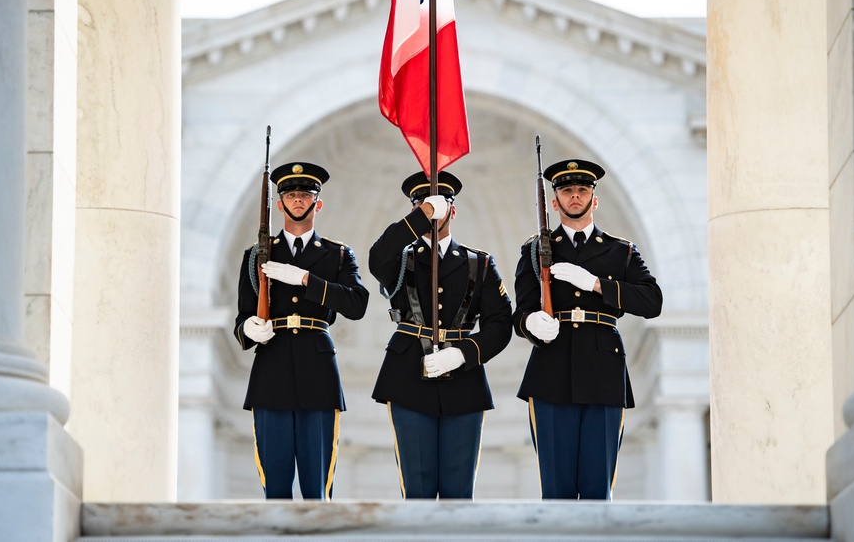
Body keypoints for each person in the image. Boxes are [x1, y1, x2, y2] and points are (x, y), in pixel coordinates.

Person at [513, 158, 662, 500]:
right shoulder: (535, 249)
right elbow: (519, 312)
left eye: (582, 190)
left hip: (603, 372)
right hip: (551, 371)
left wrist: (597, 284)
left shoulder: (620, 251)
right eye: (567, 190)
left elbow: (651, 301)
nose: (575, 196)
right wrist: (530, 324)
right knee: (556, 491)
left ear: (594, 200)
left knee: (598, 491)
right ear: (554, 201)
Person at [368, 170, 513, 499]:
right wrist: (420, 218)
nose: (431, 210)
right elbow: (377, 258)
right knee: (416, 490)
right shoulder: (401, 260)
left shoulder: (480, 264)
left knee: (458, 493)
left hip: (464, 380)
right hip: (408, 378)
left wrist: (463, 353)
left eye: (439, 204)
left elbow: (500, 323)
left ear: (454, 210)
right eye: (421, 204)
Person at [233, 161, 369, 499]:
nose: (297, 200)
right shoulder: (256, 256)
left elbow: (357, 304)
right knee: (275, 487)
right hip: (272, 369)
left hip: (317, 371)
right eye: (290, 195)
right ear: (279, 204)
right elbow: (243, 317)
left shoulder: (338, 256)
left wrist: (306, 280)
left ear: (317, 204)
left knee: (317, 488)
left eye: (305, 195)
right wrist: (249, 328)